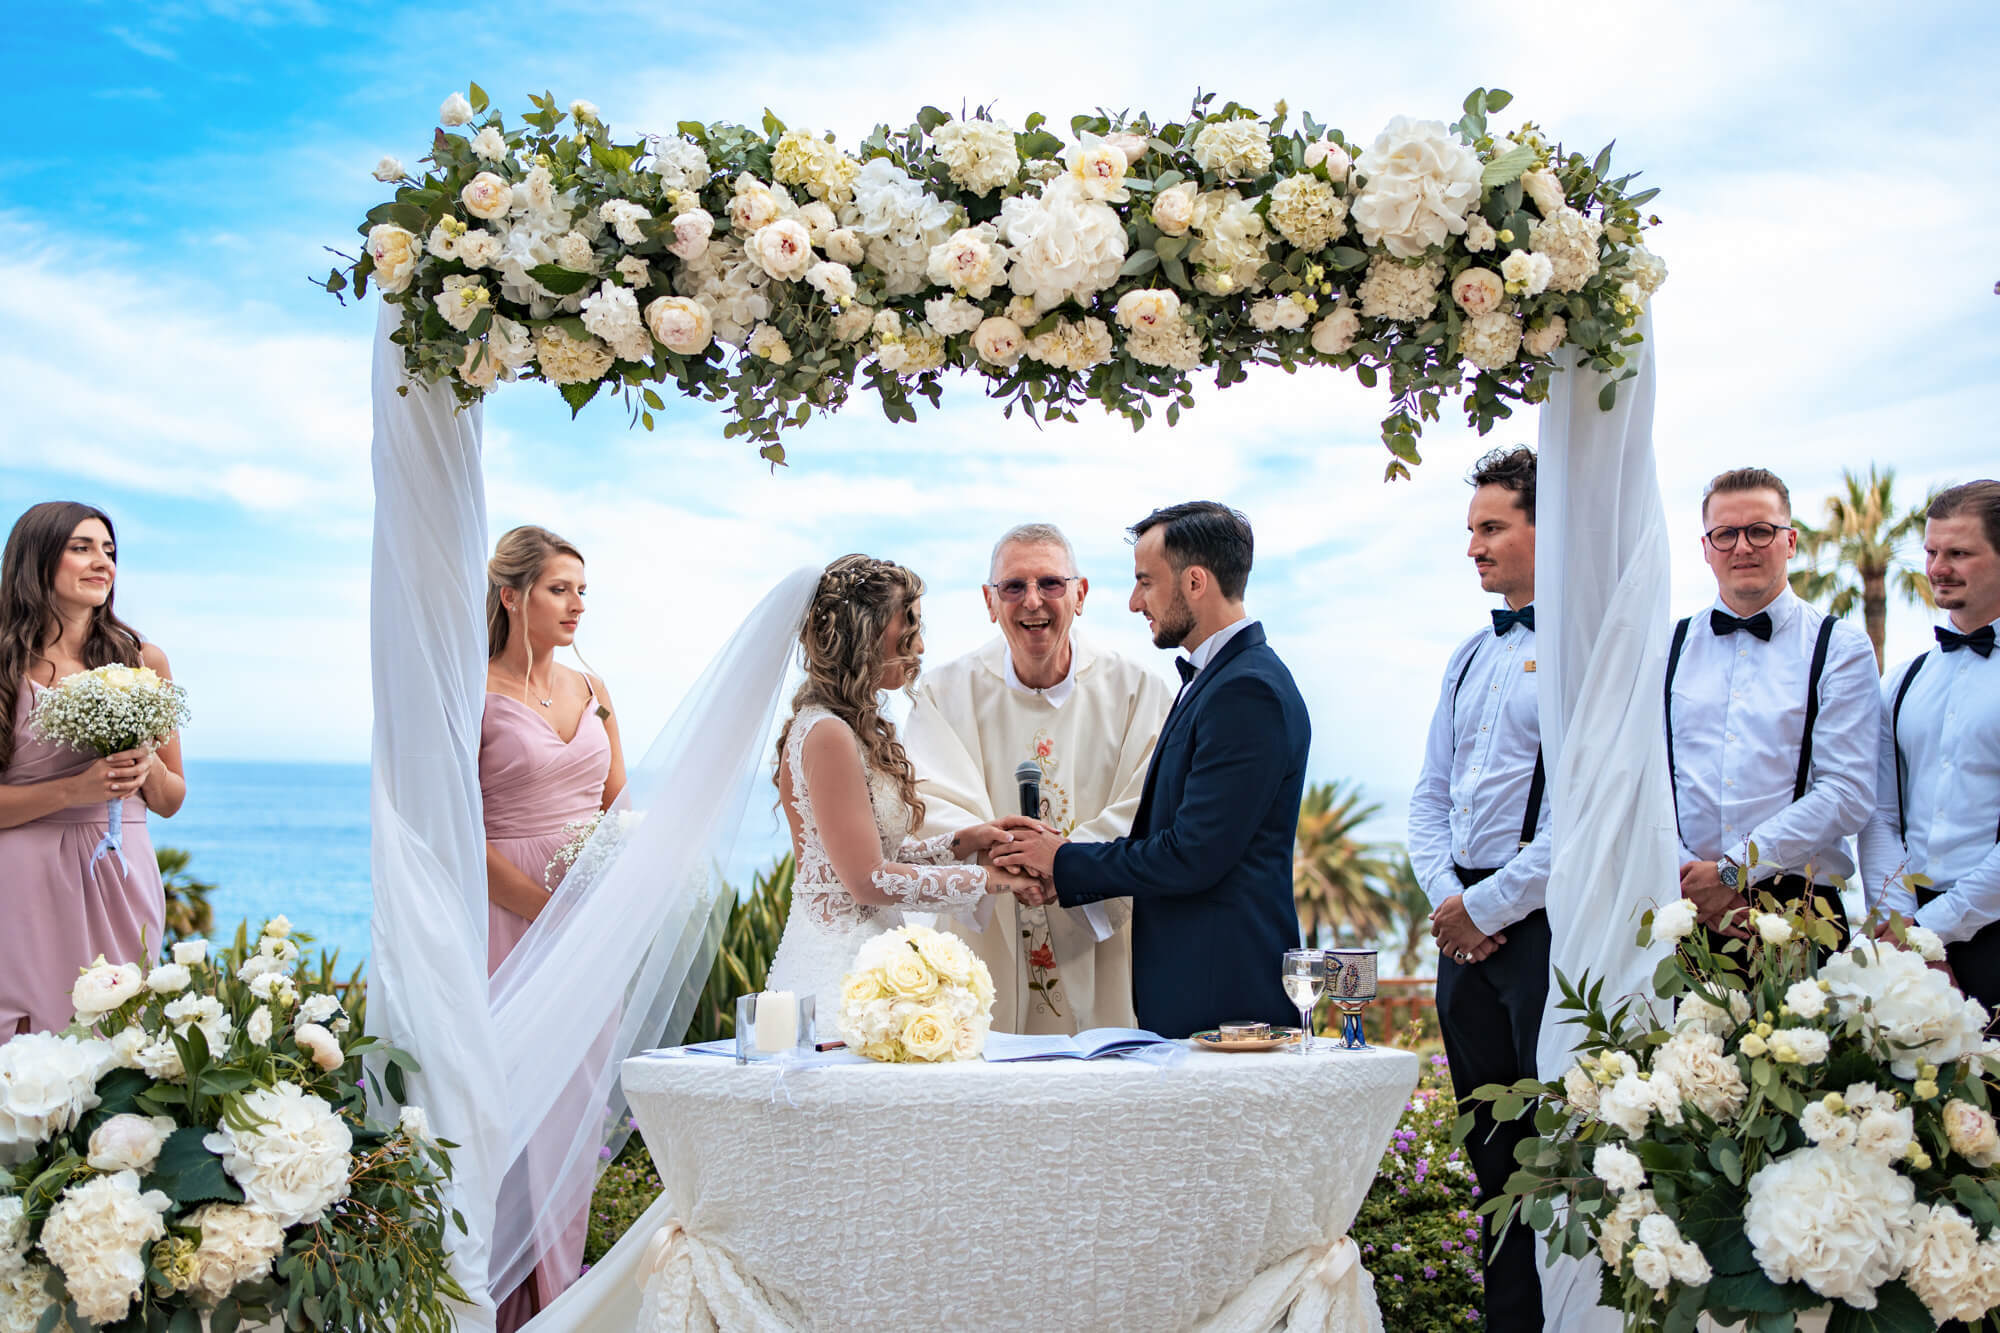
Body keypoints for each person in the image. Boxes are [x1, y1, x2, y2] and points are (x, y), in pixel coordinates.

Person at [991, 503, 1307, 1039]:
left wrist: (1063, 860)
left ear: (1195, 581)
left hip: (1224, 996)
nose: (1136, 602)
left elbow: (1192, 855)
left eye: (1145, 582)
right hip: (1196, 992)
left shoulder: (1246, 691)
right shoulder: (1217, 680)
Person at [903, 523, 1175, 1034]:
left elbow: (1151, 803)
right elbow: (925, 801)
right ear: (990, 601)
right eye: (1014, 587)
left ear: (1081, 593)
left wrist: (1065, 865)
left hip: (1098, 935)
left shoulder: (1138, 691)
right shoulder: (943, 692)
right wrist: (1007, 860)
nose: (1033, 602)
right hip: (986, 938)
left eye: (1051, 583)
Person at [764, 555, 1041, 1022]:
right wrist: (987, 879)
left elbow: (871, 857)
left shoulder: (848, 728)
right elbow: (866, 880)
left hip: (875, 953)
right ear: (867, 636)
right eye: (907, 630)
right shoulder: (828, 733)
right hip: (839, 970)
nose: (920, 647)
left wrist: (963, 842)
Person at [1406, 447, 1551, 1333]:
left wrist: (1488, 908)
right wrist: (1447, 903)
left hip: (1541, 932)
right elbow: (1428, 794)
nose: (1474, 548)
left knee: (1555, 1158)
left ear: (1548, 525)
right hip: (1464, 936)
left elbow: (1588, 812)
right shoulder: (1467, 655)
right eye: (1472, 529)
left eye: (1492, 527)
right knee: (1488, 1162)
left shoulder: (1588, 648)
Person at [477, 525, 624, 1329]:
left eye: (581, 590)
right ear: (512, 595)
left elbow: (616, 799)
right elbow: (461, 834)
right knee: (511, 1113)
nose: (576, 604)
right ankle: (501, 1304)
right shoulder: (471, 691)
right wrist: (547, 913)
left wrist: (605, 898)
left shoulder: (593, 684)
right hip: (508, 921)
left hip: (587, 930)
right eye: (559, 588)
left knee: (573, 1113)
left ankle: (559, 1300)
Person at [1666, 468, 1877, 951]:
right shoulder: (1667, 647)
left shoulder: (1840, 647)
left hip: (1802, 911)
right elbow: (1649, 779)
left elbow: (1847, 791)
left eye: (1761, 531)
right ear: (1706, 547)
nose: (1743, 547)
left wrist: (1731, 872)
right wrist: (1688, 879)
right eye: (1726, 534)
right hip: (1683, 905)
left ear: (1790, 541)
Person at [0, 502, 185, 1040]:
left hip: (121, 872)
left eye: (108, 550)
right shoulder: (5, 664)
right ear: (36, 561)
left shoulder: (144, 662)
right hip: (22, 877)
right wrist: (74, 789)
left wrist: (144, 764)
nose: (102, 562)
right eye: (81, 548)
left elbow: (172, 800)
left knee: (122, 1032)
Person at [1860, 480, 2000, 1010]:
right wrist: (1904, 930)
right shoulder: (1902, 680)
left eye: (1959, 553)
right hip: (1908, 937)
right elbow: (1877, 813)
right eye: (1932, 551)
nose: (1937, 567)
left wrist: (1932, 929)